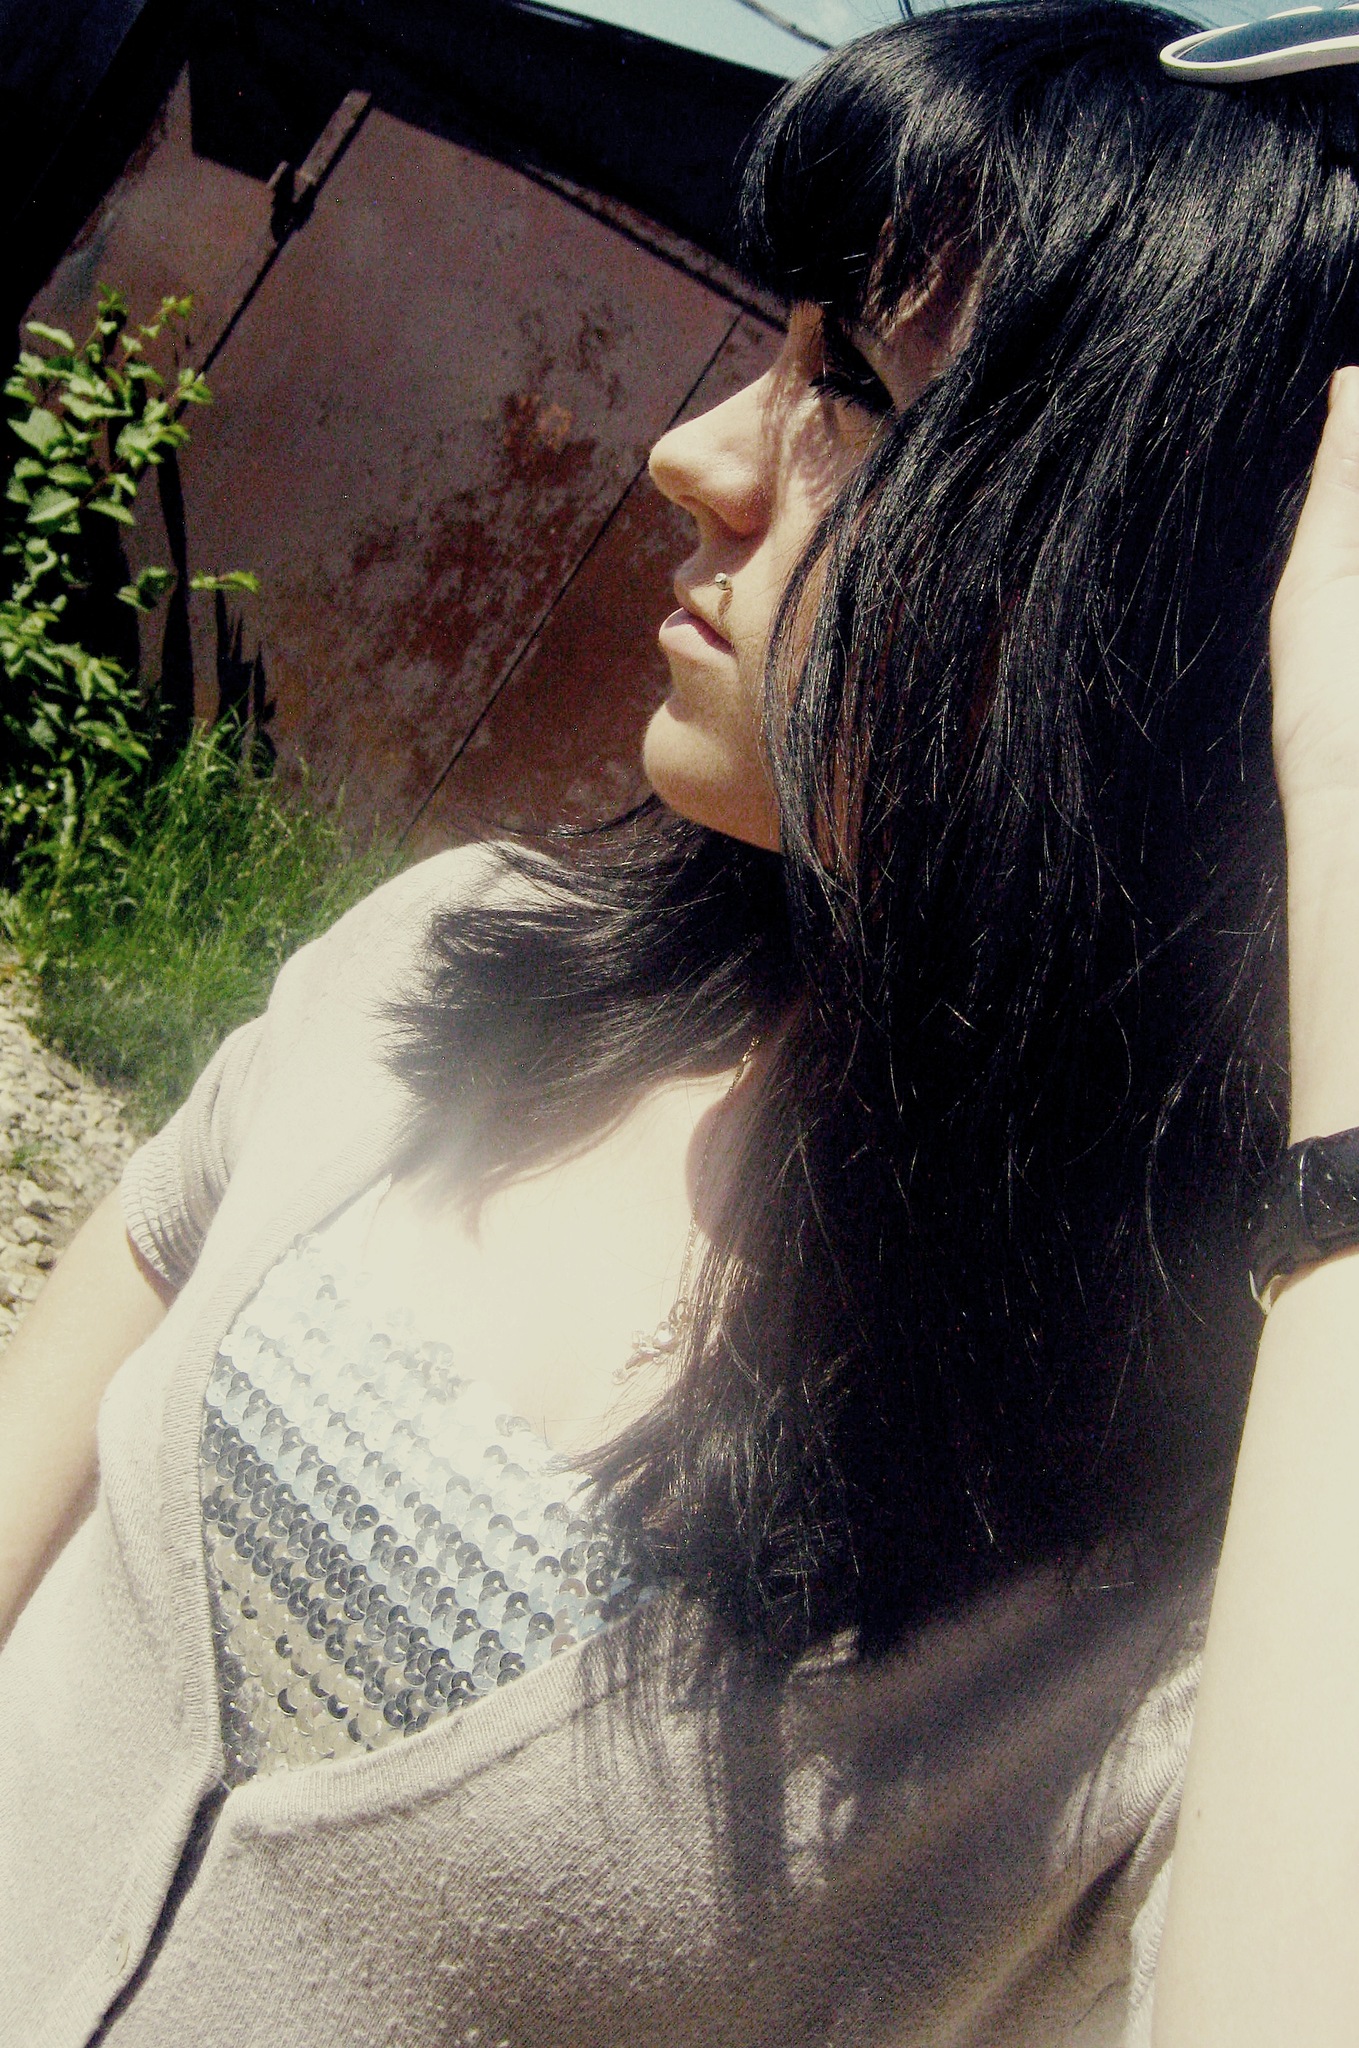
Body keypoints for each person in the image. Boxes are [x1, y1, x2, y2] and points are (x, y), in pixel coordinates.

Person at [1, 2, 1357, 2040]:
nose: (697, 457)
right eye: (779, 349)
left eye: (856, 395)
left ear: (1173, 607)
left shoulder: (1206, 1569)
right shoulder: (452, 962)